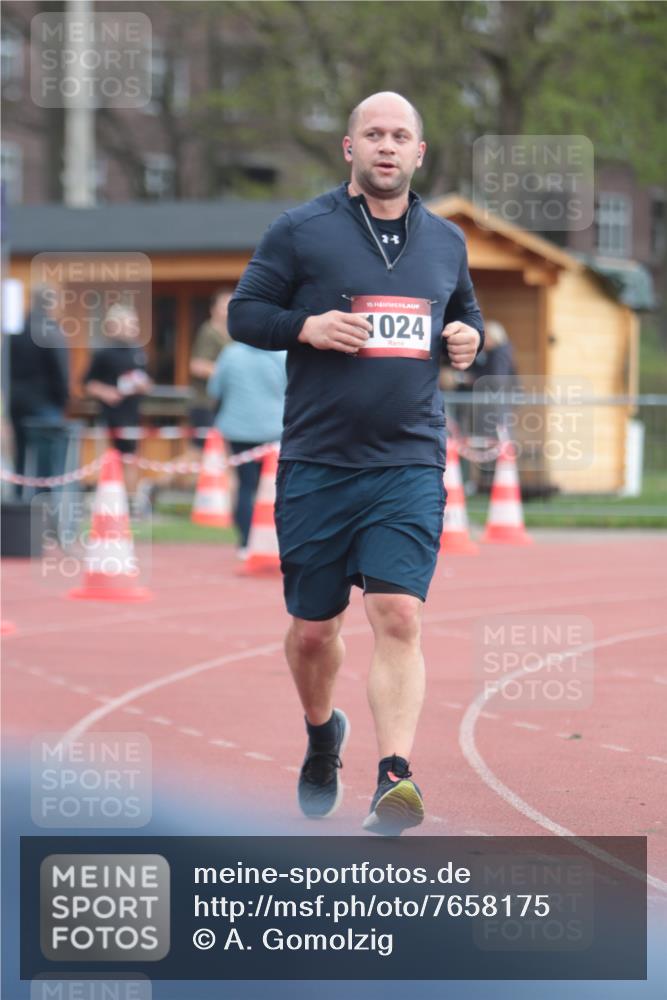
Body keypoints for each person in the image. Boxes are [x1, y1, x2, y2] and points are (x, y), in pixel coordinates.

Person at [228, 92, 484, 836]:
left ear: (418, 153)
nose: (385, 146)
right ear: (349, 148)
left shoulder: (445, 241)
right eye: (372, 134)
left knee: (397, 614)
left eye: (399, 135)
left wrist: (464, 339)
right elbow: (246, 314)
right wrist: (303, 325)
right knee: (314, 630)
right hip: (318, 461)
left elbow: (458, 318)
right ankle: (320, 734)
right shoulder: (301, 230)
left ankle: (394, 776)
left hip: (406, 459)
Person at [207, 342, 286, 554]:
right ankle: (275, 541)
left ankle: (245, 541)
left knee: (245, 486)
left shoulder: (230, 353)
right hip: (274, 430)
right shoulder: (281, 354)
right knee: (275, 488)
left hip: (238, 429)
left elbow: (214, 389)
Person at [83, 304, 152, 494]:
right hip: (109, 415)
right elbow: (88, 383)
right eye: (130, 324)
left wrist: (142, 386)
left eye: (134, 324)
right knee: (108, 457)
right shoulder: (103, 353)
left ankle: (130, 500)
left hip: (132, 413)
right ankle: (105, 497)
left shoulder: (138, 352)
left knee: (131, 457)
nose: (134, 328)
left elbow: (146, 380)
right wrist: (107, 392)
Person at [9, 286, 70, 495]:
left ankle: (18, 503)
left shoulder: (16, 330)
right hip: (46, 403)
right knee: (47, 463)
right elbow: (61, 370)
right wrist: (64, 400)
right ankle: (43, 509)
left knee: (21, 457)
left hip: (17, 401)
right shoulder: (51, 331)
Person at [189, 290, 232, 449]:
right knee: (200, 450)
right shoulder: (208, 331)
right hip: (205, 402)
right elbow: (197, 365)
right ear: (213, 309)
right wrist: (227, 373)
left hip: (223, 403)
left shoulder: (232, 334)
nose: (228, 310)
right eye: (224, 306)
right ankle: (171, 474)